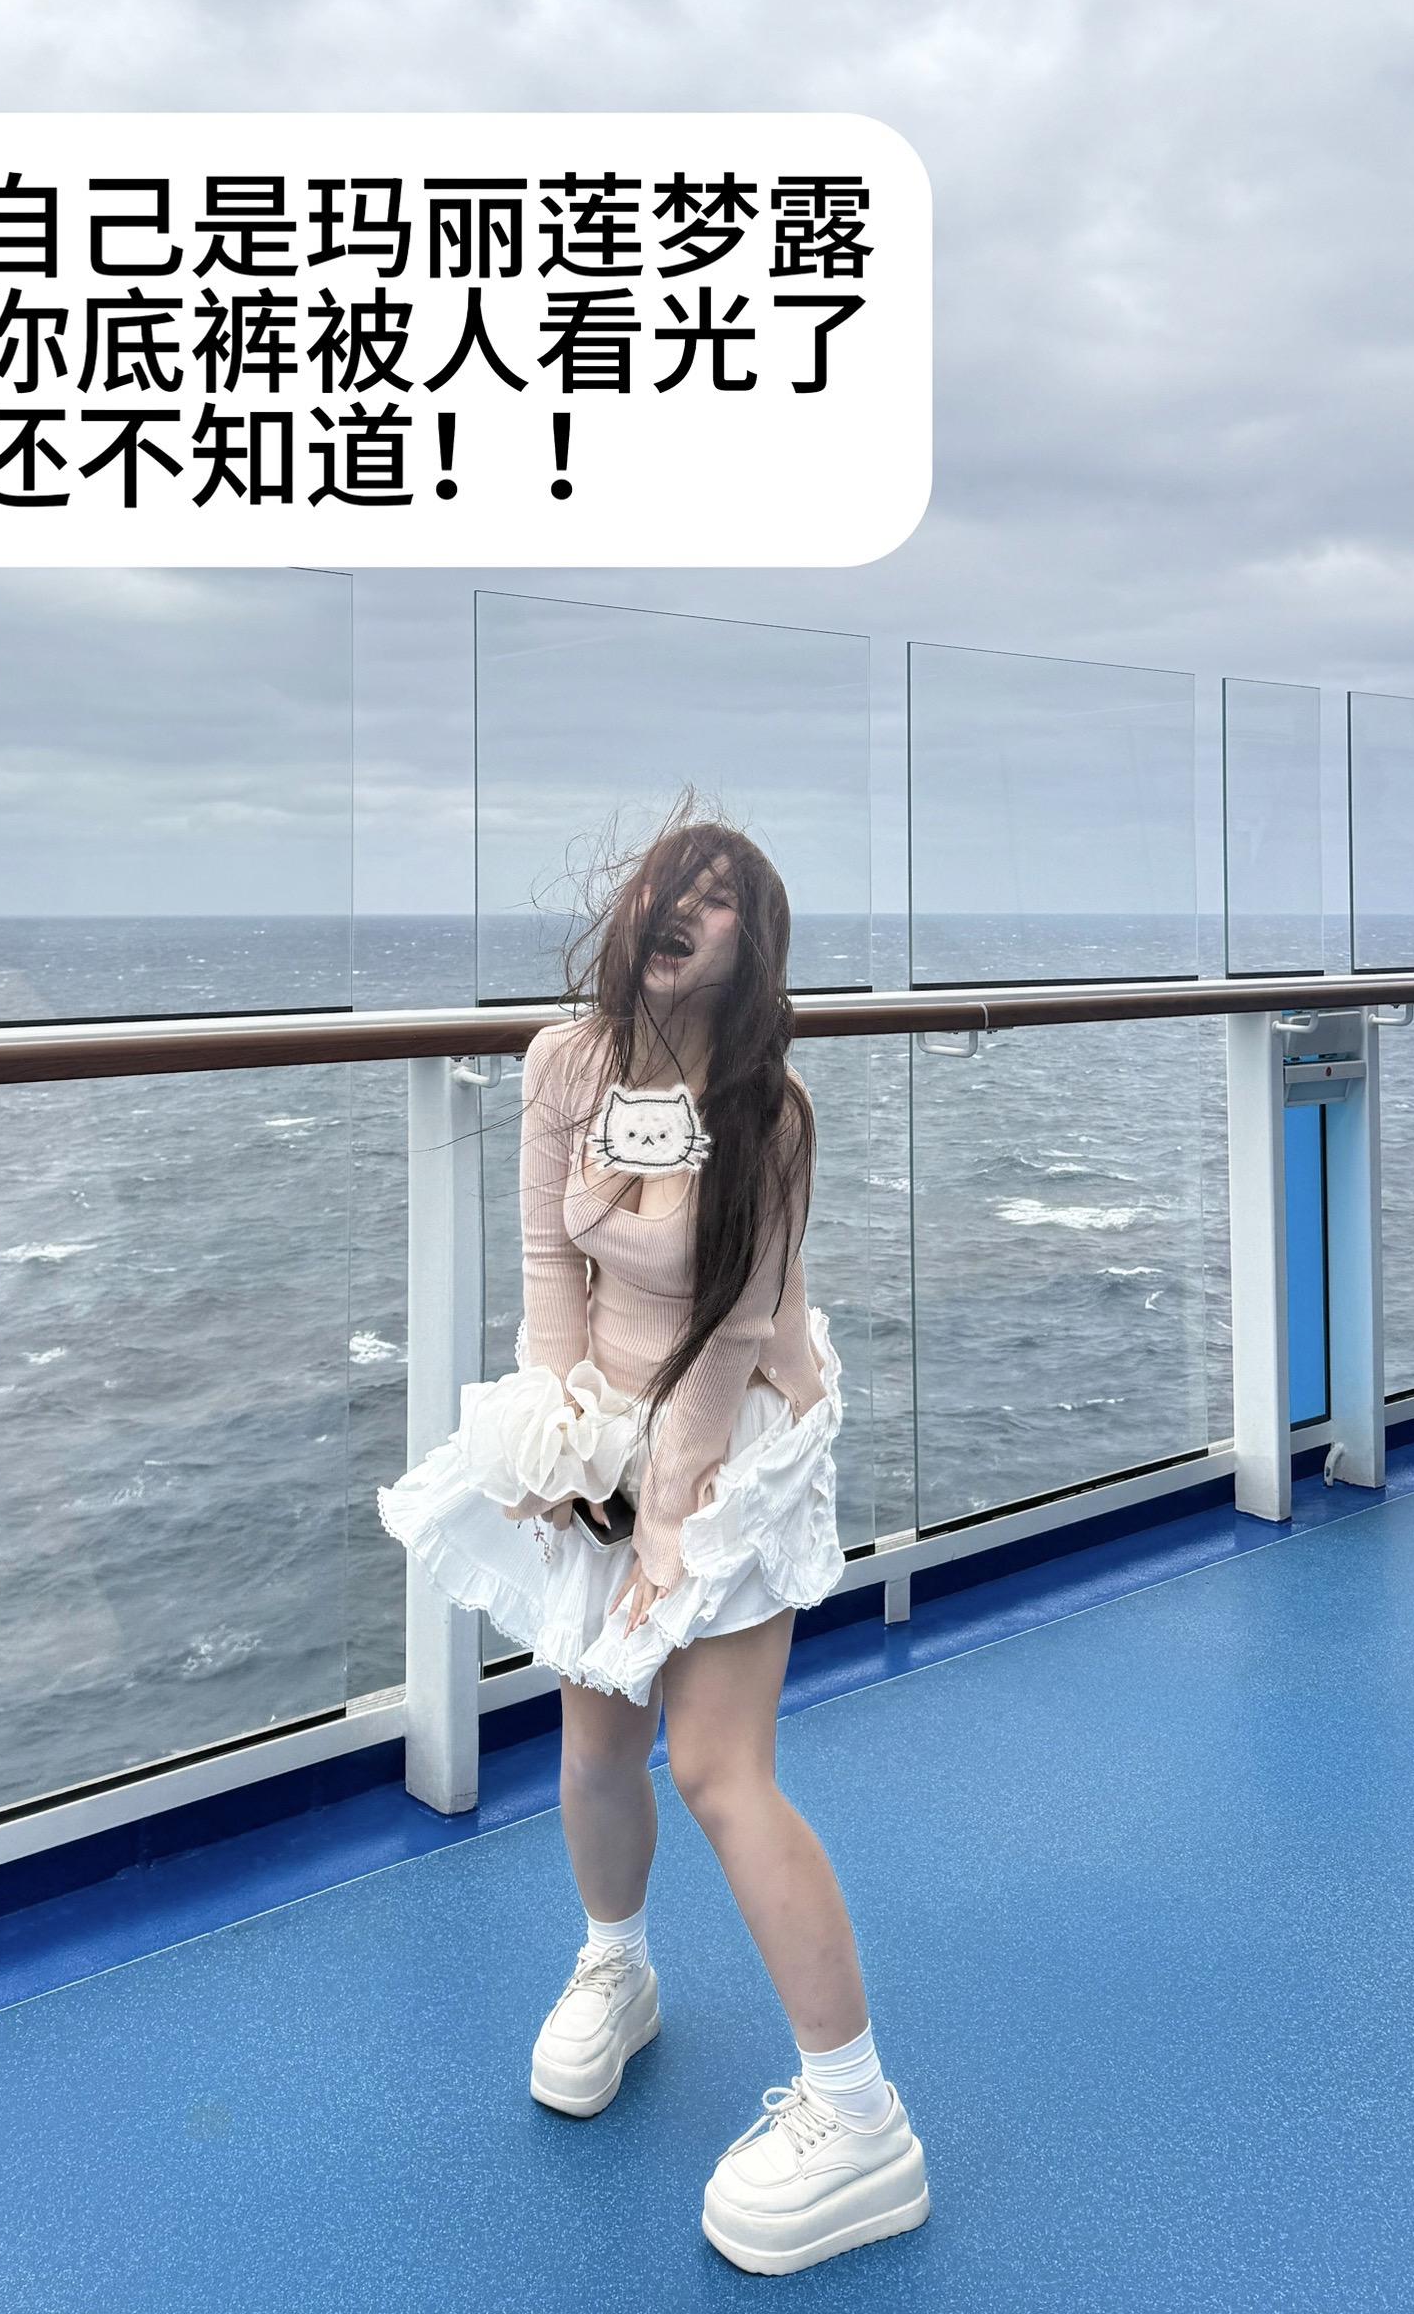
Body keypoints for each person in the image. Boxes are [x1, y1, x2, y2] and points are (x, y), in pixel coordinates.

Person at [379, 803, 931, 2275]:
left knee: (717, 1768)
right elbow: (550, 1278)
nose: (683, 906)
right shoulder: (566, 1065)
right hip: (611, 1425)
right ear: (629, 911)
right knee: (595, 1746)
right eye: (667, 884)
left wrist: (670, 1516)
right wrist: (560, 1439)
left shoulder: (768, 1112)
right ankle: (614, 1966)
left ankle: (860, 2115)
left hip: (737, 1436)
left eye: (721, 896)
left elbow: (735, 1330)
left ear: (755, 945)